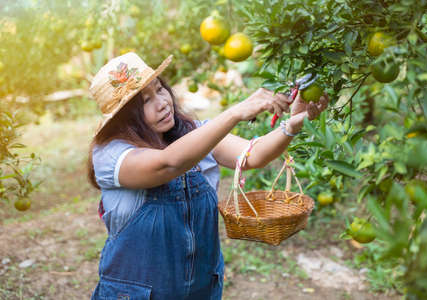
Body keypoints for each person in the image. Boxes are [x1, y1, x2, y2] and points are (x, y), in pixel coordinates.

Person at [87, 52, 328, 300]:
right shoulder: (111, 155)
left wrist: (292, 124)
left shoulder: (195, 135)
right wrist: (236, 112)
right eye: (145, 102)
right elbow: (167, 163)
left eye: (160, 90)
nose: (161, 102)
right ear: (124, 119)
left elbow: (253, 155)